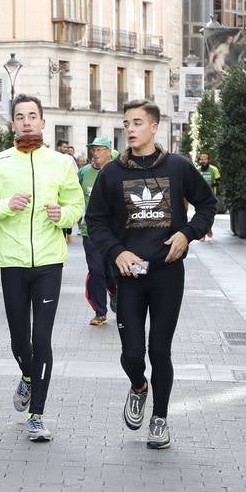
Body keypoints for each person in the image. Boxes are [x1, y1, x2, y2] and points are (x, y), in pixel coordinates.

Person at [85, 102, 216, 450]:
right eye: (126, 122)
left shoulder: (178, 167)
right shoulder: (111, 173)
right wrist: (117, 252)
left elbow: (207, 204)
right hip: (129, 275)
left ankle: (160, 418)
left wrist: (188, 234)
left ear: (155, 127)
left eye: (138, 122)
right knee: (131, 353)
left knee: (160, 348)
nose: (130, 128)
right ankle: (139, 387)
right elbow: (94, 221)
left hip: (167, 274)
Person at [0, 96, 84, 442]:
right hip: (13, 263)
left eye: (33, 116)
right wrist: (6, 205)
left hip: (49, 261)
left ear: (43, 122)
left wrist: (61, 216)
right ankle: (28, 376)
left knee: (42, 339)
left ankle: (37, 415)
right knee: (21, 340)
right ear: (12, 124)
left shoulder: (61, 163)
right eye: (21, 117)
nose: (27, 122)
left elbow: (76, 204)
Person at [78, 137, 117, 326]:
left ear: (109, 151)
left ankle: (115, 292)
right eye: (93, 149)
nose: (95, 153)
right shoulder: (84, 172)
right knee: (96, 270)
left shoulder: (118, 170)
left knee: (111, 271)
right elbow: (74, 197)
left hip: (114, 232)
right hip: (90, 231)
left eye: (100, 149)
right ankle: (100, 311)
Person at [196, 153, 222, 238]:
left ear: (208, 160)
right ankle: (203, 233)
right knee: (200, 214)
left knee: (211, 214)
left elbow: (218, 181)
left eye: (205, 159)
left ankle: (208, 227)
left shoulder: (213, 169)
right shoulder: (198, 169)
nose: (203, 161)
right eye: (202, 160)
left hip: (211, 196)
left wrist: (213, 187)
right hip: (200, 196)